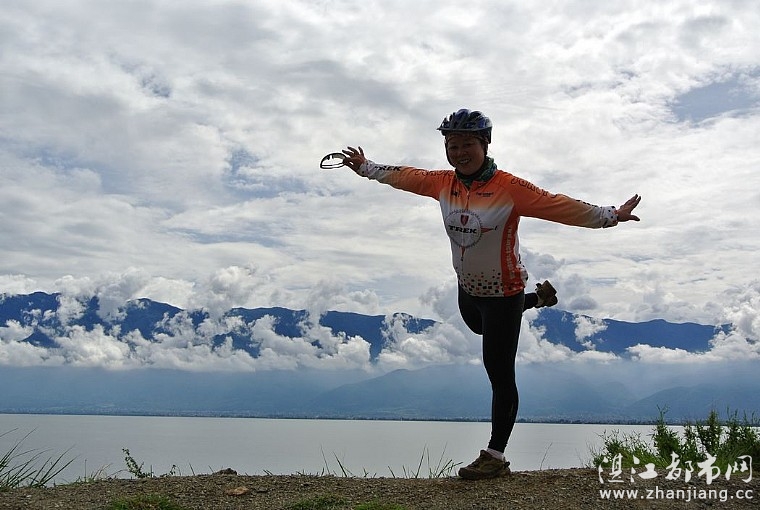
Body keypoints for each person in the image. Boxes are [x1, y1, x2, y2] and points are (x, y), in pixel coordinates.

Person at [341, 108, 641, 480]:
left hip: (504, 291)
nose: (459, 152)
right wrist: (366, 167)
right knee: (477, 327)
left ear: (485, 144)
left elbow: (559, 205)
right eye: (452, 145)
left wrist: (610, 215)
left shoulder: (509, 188)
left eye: (467, 144)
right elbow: (405, 175)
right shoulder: (443, 183)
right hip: (467, 287)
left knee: (498, 372)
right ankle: (539, 300)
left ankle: (495, 455)